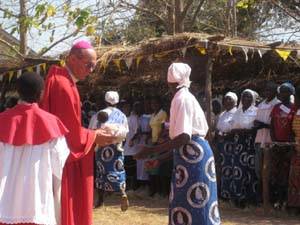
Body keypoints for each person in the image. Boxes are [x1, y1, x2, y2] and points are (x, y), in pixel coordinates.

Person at [40, 40, 116, 225]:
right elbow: (70, 135)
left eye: (94, 66)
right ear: (73, 59)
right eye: (88, 64)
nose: (91, 70)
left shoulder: (62, 80)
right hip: (59, 158)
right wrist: (94, 135)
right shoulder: (64, 86)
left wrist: (93, 133)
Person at [135, 63, 221, 225]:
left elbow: (183, 137)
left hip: (193, 155)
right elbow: (182, 140)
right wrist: (160, 158)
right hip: (191, 154)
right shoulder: (183, 97)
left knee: (195, 200)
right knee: (187, 200)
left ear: (169, 82)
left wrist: (151, 150)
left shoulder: (181, 99)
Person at [0, 72, 70, 225]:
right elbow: (59, 166)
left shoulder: (2, 121)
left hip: (4, 203)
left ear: (18, 91)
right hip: (37, 203)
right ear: (41, 94)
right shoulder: (52, 123)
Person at [89, 91, 129, 211]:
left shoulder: (99, 114)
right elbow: (126, 132)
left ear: (105, 101)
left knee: (102, 172)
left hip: (102, 148)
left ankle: (100, 201)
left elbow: (92, 129)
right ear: (117, 102)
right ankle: (122, 193)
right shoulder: (122, 115)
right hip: (116, 148)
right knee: (117, 170)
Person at [270, 82, 296, 210]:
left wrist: (290, 146)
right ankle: (277, 201)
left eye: (286, 92)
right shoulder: (276, 107)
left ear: (291, 93)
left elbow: (294, 128)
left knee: (286, 175)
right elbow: (272, 126)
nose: (283, 94)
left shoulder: (294, 108)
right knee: (276, 174)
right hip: (277, 145)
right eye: (281, 92)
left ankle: (285, 201)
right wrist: (275, 142)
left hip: (289, 147)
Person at [253, 82, 280, 208]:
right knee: (259, 170)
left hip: (270, 140)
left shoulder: (277, 105)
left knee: (270, 171)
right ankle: (261, 198)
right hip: (259, 139)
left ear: (275, 92)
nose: (267, 92)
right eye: (266, 90)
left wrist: (263, 125)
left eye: (270, 90)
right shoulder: (261, 104)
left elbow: (276, 125)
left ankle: (271, 199)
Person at [215, 91, 238, 199]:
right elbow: (218, 128)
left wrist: (225, 135)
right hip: (220, 143)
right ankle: (223, 192)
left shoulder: (237, 113)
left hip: (230, 144)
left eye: (230, 99)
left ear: (235, 101)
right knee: (221, 168)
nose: (227, 101)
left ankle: (231, 193)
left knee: (230, 167)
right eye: (226, 99)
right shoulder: (222, 114)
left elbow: (234, 129)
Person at [146, 96, 168, 197]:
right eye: (152, 103)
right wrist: (149, 138)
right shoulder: (153, 115)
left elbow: (163, 128)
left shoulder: (162, 113)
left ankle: (161, 191)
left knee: (159, 167)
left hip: (160, 143)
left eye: (155, 103)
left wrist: (159, 139)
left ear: (159, 104)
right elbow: (151, 128)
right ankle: (152, 190)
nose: (153, 105)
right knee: (151, 166)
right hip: (153, 142)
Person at [288, 86, 300, 211]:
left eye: (296, 98)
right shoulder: (296, 112)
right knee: (295, 180)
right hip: (296, 149)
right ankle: (295, 206)